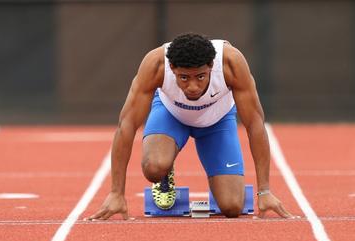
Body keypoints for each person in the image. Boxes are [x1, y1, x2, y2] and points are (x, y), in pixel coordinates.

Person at [88, 33, 295, 220]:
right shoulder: (156, 64)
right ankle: (164, 171)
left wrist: (264, 191)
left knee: (232, 207)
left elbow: (255, 124)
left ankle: (225, 183)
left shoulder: (231, 63)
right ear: (172, 69)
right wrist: (116, 193)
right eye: (184, 78)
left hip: (217, 121)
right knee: (154, 167)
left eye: (201, 77)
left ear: (212, 66)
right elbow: (127, 126)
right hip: (171, 115)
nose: (193, 87)